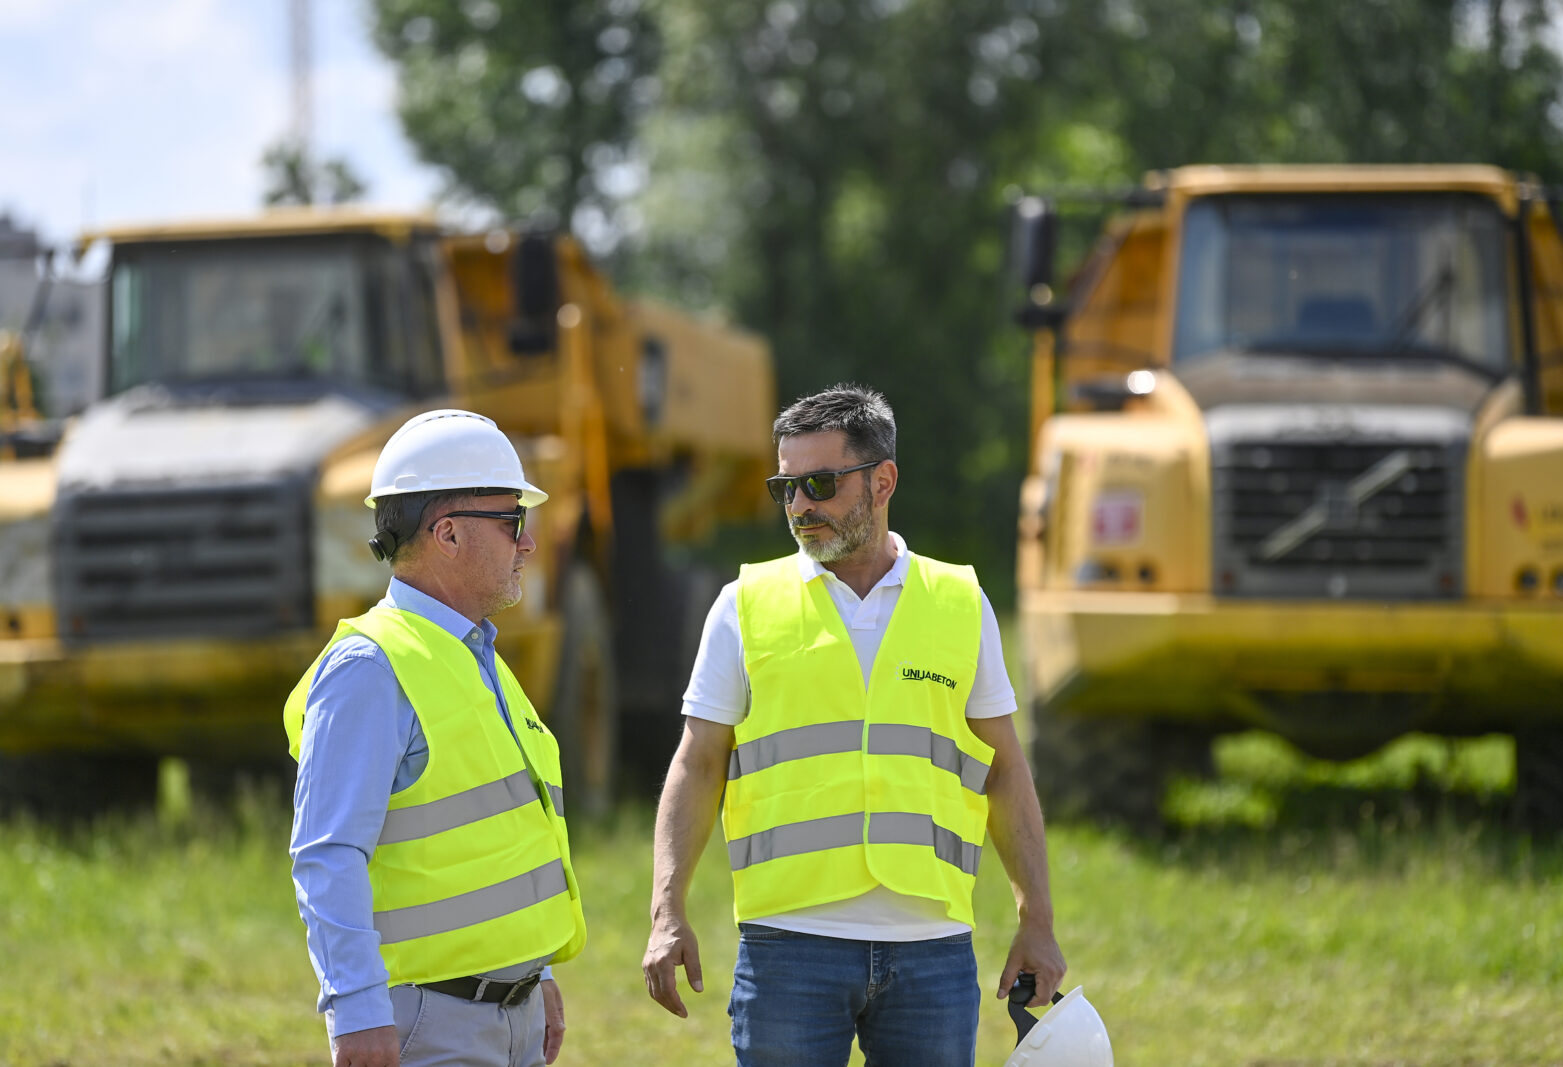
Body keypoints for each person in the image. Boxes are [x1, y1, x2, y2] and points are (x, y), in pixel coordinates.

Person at [642, 384, 1067, 1066]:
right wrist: (667, 909)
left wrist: (1036, 920)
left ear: (883, 480)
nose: (801, 506)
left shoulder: (960, 602)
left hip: (932, 950)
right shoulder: (743, 605)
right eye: (787, 487)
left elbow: (1006, 770)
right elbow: (696, 764)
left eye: (819, 483)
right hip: (788, 949)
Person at [285, 409, 585, 1067]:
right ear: (447, 534)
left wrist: (537, 975)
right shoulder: (369, 670)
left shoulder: (475, 653)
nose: (527, 544)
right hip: (430, 1030)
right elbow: (327, 855)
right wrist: (356, 1010)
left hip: (511, 1015)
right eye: (513, 524)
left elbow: (498, 843)